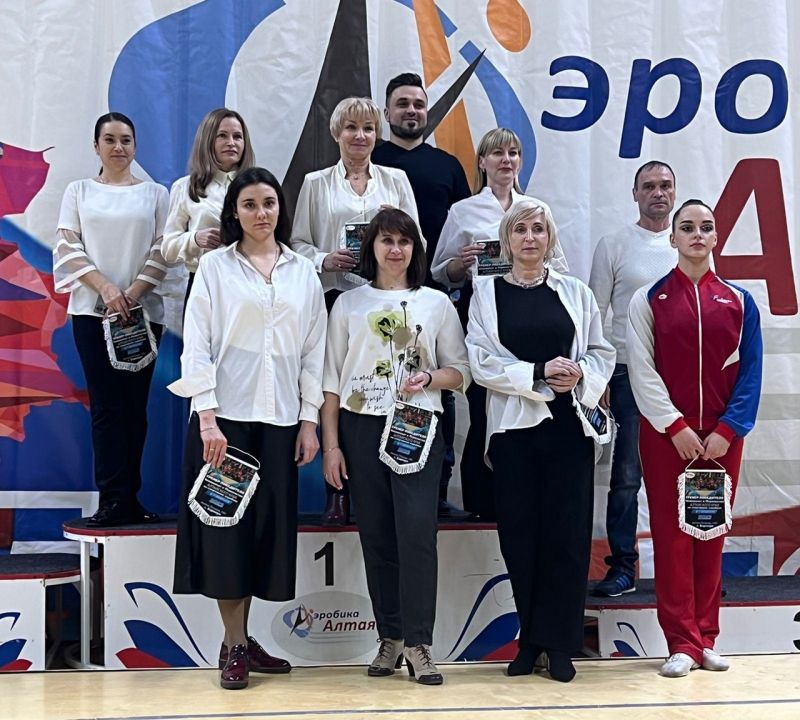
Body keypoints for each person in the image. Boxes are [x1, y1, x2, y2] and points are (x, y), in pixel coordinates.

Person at [169, 167, 327, 690]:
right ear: (234, 213)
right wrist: (207, 418)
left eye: (269, 203)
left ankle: (240, 637)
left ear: (281, 208)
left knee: (263, 535)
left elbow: (314, 351)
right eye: (250, 204)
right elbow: (197, 344)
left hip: (280, 420)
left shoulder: (302, 272)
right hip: (225, 423)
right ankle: (235, 645)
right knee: (224, 536)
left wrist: (309, 421)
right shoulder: (216, 266)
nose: (261, 213)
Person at [466, 198, 615, 682]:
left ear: (550, 238)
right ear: (506, 240)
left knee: (567, 539)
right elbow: (480, 362)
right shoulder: (486, 293)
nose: (530, 238)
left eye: (538, 229)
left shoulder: (575, 292)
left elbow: (601, 351)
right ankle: (530, 641)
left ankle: (561, 643)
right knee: (520, 538)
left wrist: (580, 374)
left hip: (568, 429)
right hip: (513, 432)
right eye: (520, 230)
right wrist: (537, 372)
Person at [321, 208, 469, 684]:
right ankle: (391, 637)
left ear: (415, 249)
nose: (395, 249)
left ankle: (420, 644)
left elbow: (461, 371)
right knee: (378, 535)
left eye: (404, 241)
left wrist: (430, 378)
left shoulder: (435, 303)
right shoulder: (347, 304)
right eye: (386, 240)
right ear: (372, 247)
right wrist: (331, 446)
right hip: (360, 426)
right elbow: (330, 382)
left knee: (417, 533)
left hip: (417, 427)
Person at [627, 199, 762, 678]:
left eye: (706, 227)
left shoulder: (740, 301)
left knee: (710, 534)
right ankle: (680, 642)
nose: (697, 235)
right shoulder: (648, 299)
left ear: (716, 237)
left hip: (722, 441)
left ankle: (706, 638)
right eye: (687, 227)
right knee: (672, 540)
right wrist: (675, 427)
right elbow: (641, 371)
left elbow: (751, 374)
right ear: (673, 238)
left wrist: (727, 431)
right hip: (668, 439)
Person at [291, 96, 421, 525]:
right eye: (351, 128)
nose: (359, 136)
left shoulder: (397, 180)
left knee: (390, 386)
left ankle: (395, 480)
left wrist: (396, 222)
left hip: (389, 299)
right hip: (337, 299)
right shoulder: (316, 183)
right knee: (338, 389)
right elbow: (297, 245)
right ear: (336, 134)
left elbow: (417, 240)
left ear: (377, 134)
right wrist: (324, 259)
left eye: (367, 128)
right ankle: (338, 491)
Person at [430, 127, 568, 519]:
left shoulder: (536, 210)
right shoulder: (464, 211)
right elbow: (441, 272)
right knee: (484, 408)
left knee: (531, 405)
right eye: (497, 153)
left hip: (532, 316)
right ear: (482, 162)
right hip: (486, 317)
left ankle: (526, 500)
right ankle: (483, 507)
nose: (506, 160)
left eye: (513, 153)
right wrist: (462, 263)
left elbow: (559, 267)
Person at [53, 112, 170, 527]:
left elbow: (163, 249)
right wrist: (105, 288)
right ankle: (112, 498)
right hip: (91, 314)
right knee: (106, 408)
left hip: (141, 317)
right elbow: (67, 246)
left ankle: (130, 498)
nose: (118, 147)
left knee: (135, 408)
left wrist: (132, 294)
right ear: (96, 145)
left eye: (126, 140)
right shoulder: (79, 191)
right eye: (110, 139)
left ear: (135, 146)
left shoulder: (156, 194)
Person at [372, 72, 471, 518]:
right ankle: (366, 489)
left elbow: (462, 231)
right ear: (387, 112)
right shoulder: (371, 160)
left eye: (418, 104)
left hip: (431, 296)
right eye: (403, 103)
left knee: (436, 391)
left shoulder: (448, 166)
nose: (411, 111)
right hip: (375, 295)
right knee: (375, 387)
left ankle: (437, 490)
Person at [589, 160, 678, 597]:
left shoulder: (689, 242)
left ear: (674, 192)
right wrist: (600, 375)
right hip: (627, 373)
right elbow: (594, 314)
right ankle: (624, 566)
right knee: (626, 475)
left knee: (686, 473)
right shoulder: (614, 245)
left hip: (682, 377)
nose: (658, 193)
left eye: (665, 186)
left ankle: (687, 569)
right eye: (649, 186)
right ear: (635, 193)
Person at [162, 108, 255, 300]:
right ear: (207, 140)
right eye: (222, 135)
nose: (231, 142)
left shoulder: (258, 187)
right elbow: (168, 248)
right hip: (204, 284)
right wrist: (195, 239)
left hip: (251, 283)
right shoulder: (185, 187)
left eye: (237, 136)